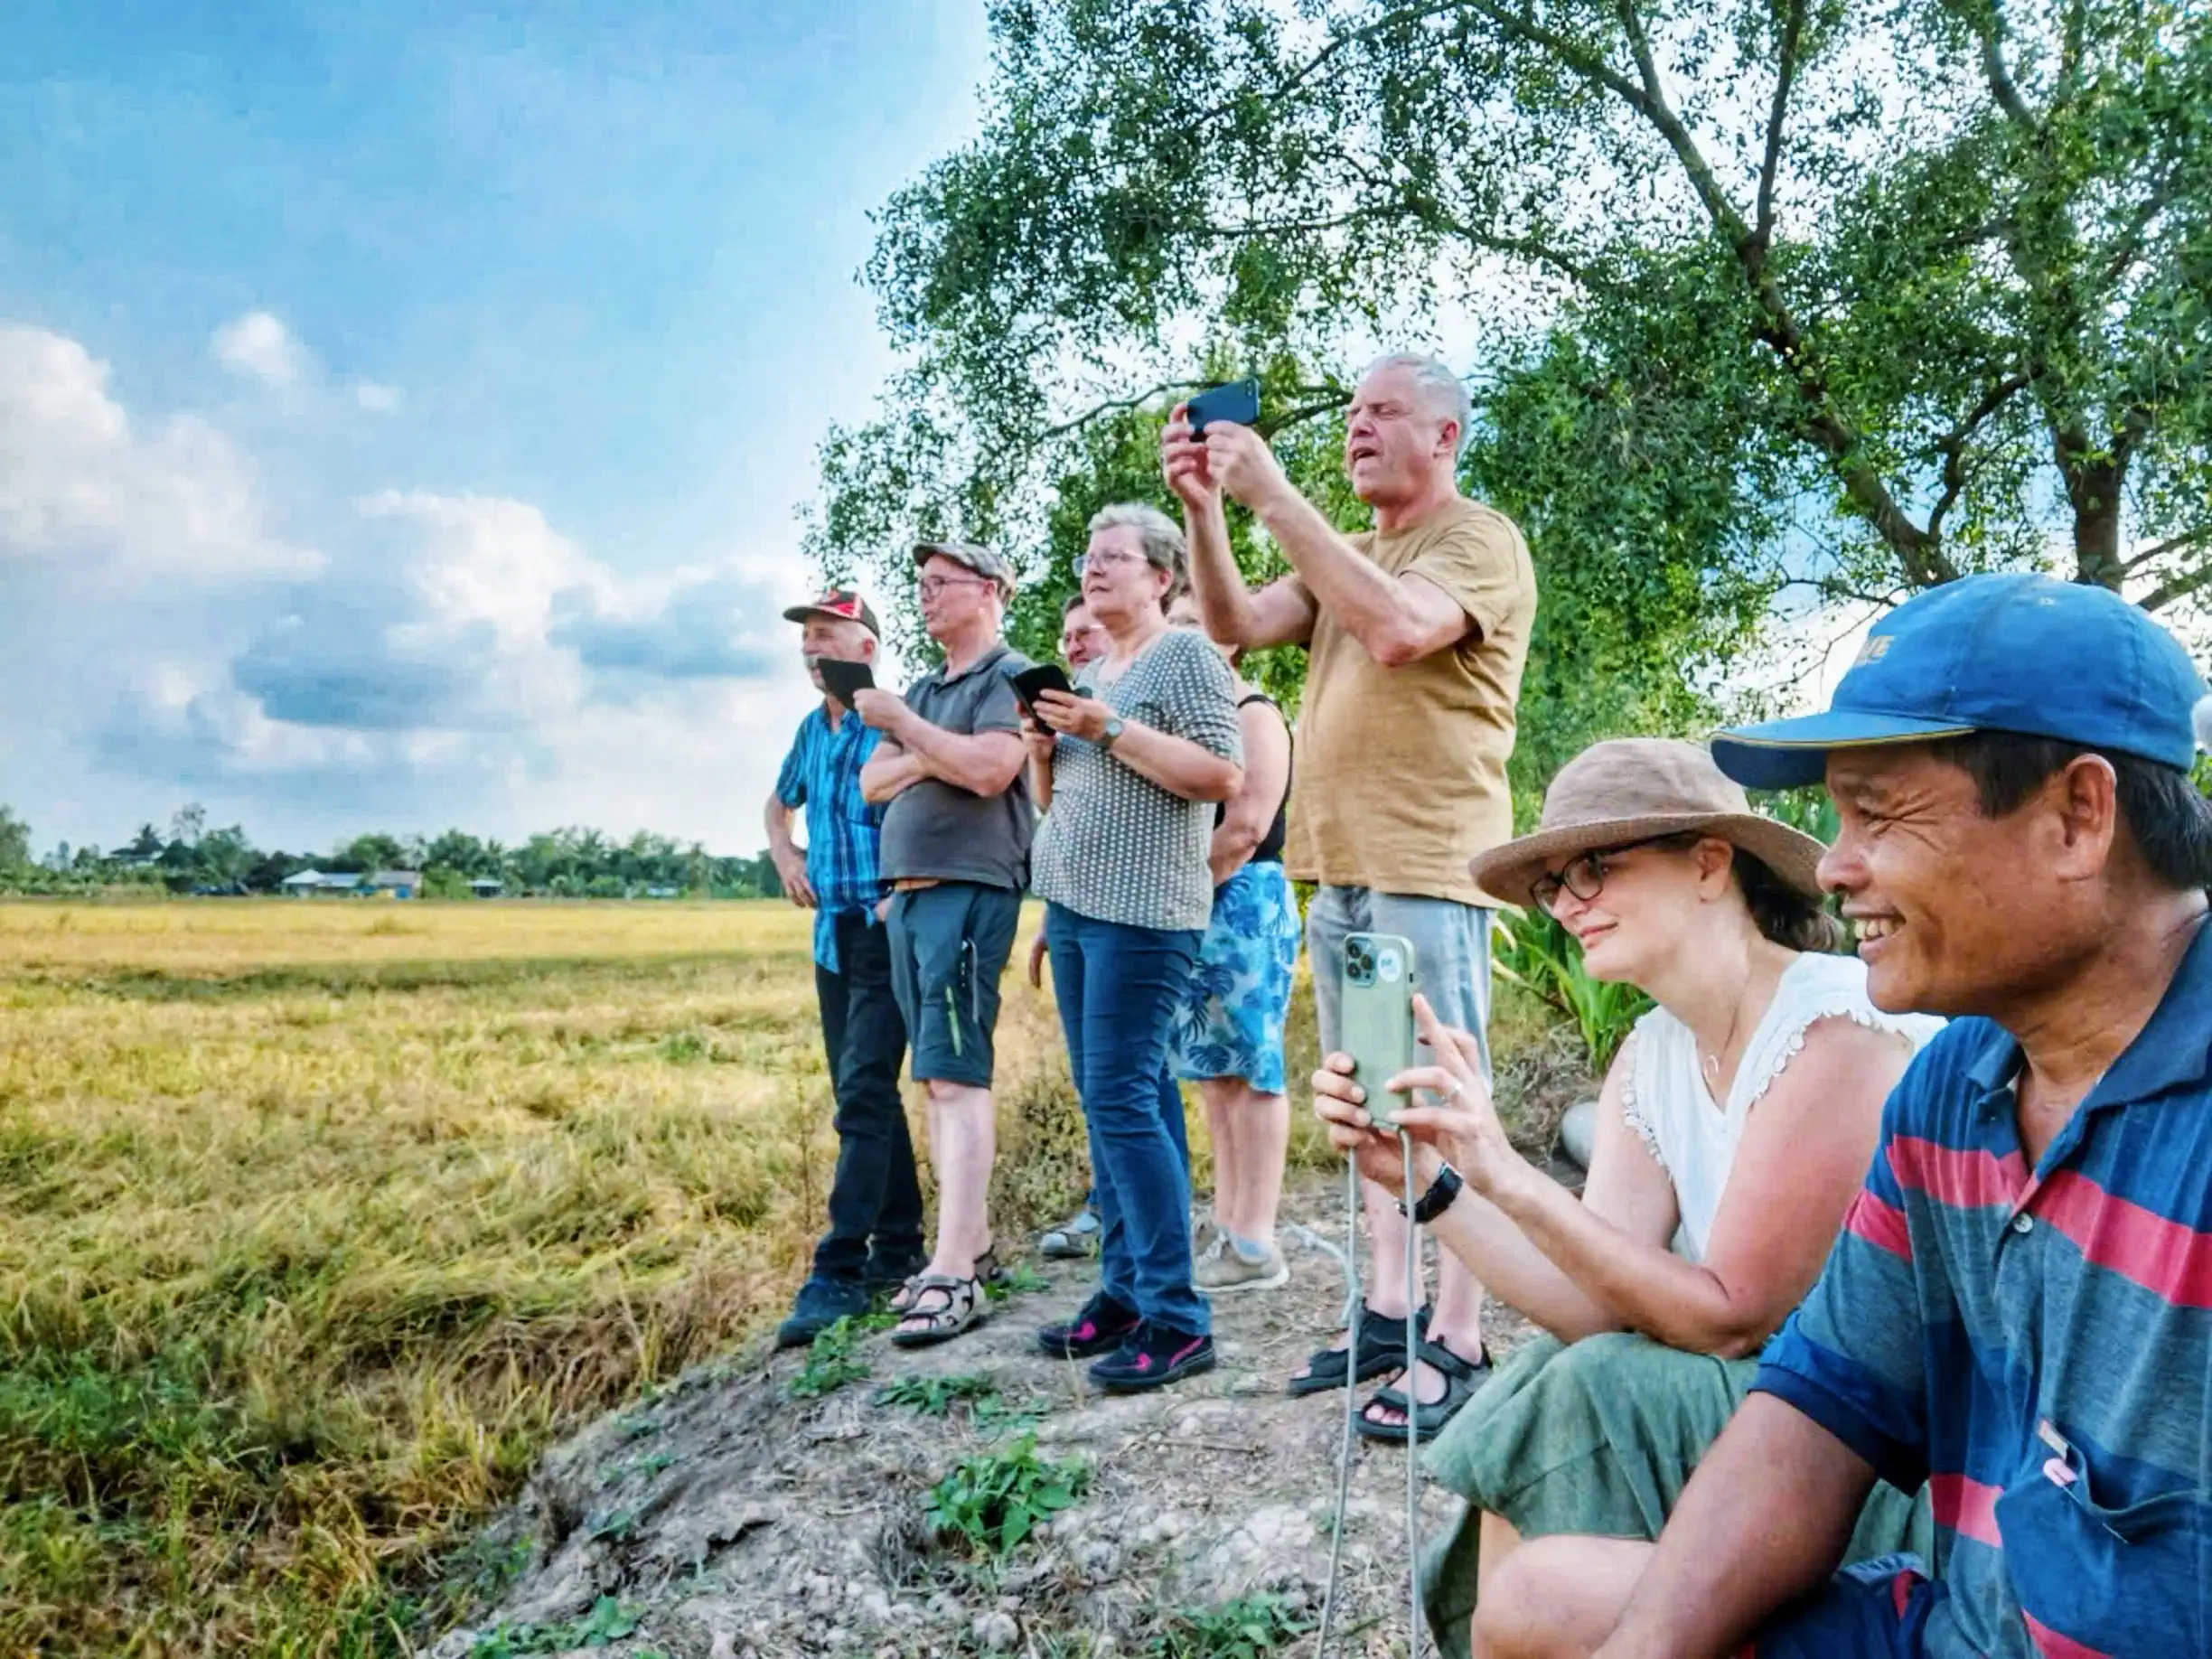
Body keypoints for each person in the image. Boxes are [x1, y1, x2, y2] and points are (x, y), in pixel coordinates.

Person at [1475, 573, 2212, 1659]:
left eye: (1878, 813)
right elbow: (1821, 1406)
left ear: (2077, 816)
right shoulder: (1956, 1087)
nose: (1834, 866)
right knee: (1540, 1606)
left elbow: (1726, 1315)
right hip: (1962, 1621)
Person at [1312, 737, 1943, 1656]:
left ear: (1710, 863)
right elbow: (1599, 1305)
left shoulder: (1834, 1030)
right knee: (1570, 1375)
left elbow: (1731, 1318)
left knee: (1586, 1387)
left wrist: (1509, 1172)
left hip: (1874, 1460)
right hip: (1761, 1431)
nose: (1568, 906)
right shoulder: (1652, 1054)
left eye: (1596, 870)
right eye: (1554, 885)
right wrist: (1432, 1184)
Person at [1167, 351, 1538, 1439]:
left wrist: (1273, 493)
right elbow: (1232, 620)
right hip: (1349, 871)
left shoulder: (1477, 540)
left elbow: (1396, 629)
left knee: (1436, 1100)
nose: (1357, 427)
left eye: (1384, 413)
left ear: (1446, 437)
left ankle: (1461, 1335)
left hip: (1430, 863)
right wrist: (1204, 508)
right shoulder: (1352, 550)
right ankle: (1388, 1311)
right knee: (1368, 1106)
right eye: (1353, 413)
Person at [1027, 503, 1244, 1391]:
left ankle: (1177, 1318)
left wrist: (1104, 729)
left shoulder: (1183, 656)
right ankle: (1123, 1293)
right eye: (1089, 556)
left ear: (1161, 577)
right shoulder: (1095, 669)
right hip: (1076, 906)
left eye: (1115, 557)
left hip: (1146, 912)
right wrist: (1047, 743)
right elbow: (1056, 800)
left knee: (1121, 1098)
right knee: (1119, 1097)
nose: (1095, 568)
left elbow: (1221, 775)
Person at [854, 540, 1035, 1348]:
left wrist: (905, 732)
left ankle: (954, 1269)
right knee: (934, 1078)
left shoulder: (1008, 677)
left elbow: (993, 770)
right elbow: (870, 783)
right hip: (911, 900)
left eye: (941, 583)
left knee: (957, 1075)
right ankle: (971, 1245)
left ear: (990, 591)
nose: (924, 597)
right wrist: (934, 753)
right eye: (919, 585)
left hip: (969, 892)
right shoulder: (931, 689)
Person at [764, 589, 922, 1347]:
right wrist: (784, 852)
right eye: (806, 640)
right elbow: (777, 804)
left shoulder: (888, 720)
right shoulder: (810, 730)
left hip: (882, 931)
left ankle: (840, 1269)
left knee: (862, 1091)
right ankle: (899, 1249)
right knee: (864, 1094)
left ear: (866, 648)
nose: (811, 650)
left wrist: (902, 888)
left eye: (826, 636)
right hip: (831, 937)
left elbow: (927, 806)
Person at [1163, 592, 1301, 1294]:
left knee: (1253, 1069)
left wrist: (1179, 896)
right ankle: (1230, 1226)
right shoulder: (1191, 727)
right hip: (1199, 902)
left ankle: (1258, 1238)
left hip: (1244, 902)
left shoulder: (1254, 712)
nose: (1180, 639)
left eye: (1194, 626)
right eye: (1174, 627)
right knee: (1214, 1079)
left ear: (1230, 640)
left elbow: (1246, 828)